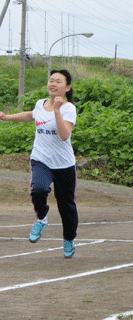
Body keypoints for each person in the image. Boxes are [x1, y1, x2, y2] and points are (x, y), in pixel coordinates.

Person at [0, 70, 78, 258]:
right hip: (41, 159)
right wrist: (6, 117)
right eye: (51, 80)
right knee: (38, 190)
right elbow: (32, 115)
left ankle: (68, 238)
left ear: (67, 87)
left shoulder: (69, 109)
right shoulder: (40, 103)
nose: (53, 83)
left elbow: (64, 134)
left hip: (64, 164)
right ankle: (42, 219)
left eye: (58, 81)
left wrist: (57, 110)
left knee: (66, 206)